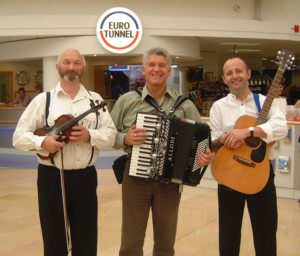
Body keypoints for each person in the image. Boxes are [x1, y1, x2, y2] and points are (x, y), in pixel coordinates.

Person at [13, 49, 117, 256]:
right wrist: (43, 142)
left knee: (86, 239)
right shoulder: (43, 100)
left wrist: (90, 136)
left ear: (83, 68)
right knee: (53, 240)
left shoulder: (95, 101)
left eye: (77, 63)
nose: (71, 67)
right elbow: (18, 137)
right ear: (58, 67)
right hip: (51, 178)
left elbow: (111, 135)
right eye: (67, 62)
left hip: (85, 178)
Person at [110, 47, 213, 256]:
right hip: (135, 180)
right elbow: (107, 134)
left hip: (170, 182)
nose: (156, 69)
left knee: (166, 244)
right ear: (144, 70)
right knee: (130, 243)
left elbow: (203, 138)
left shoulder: (184, 104)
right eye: (152, 65)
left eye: (162, 66)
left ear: (169, 71)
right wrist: (124, 138)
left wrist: (204, 156)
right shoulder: (127, 100)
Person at [210, 57, 288, 256]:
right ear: (224, 79)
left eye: (239, 71)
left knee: (266, 233)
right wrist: (226, 139)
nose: (235, 76)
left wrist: (248, 132)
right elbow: (212, 140)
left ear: (249, 74)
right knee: (228, 234)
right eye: (229, 73)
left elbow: (281, 128)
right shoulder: (218, 107)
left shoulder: (264, 102)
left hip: (261, 174)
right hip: (229, 173)